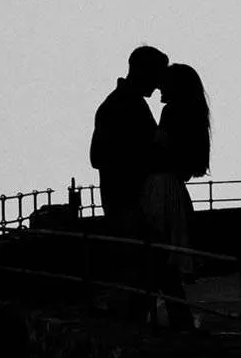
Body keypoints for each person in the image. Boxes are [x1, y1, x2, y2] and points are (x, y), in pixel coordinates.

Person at [141, 62, 211, 327]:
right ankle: (177, 316)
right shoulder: (192, 115)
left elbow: (158, 149)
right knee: (165, 254)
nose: (160, 86)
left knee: (156, 251)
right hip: (174, 187)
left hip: (160, 188)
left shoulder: (171, 113)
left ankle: (159, 315)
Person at [89, 45, 165, 236]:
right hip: (126, 202)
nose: (158, 84)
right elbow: (97, 156)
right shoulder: (120, 105)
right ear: (143, 71)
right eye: (156, 75)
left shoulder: (123, 102)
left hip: (127, 201)